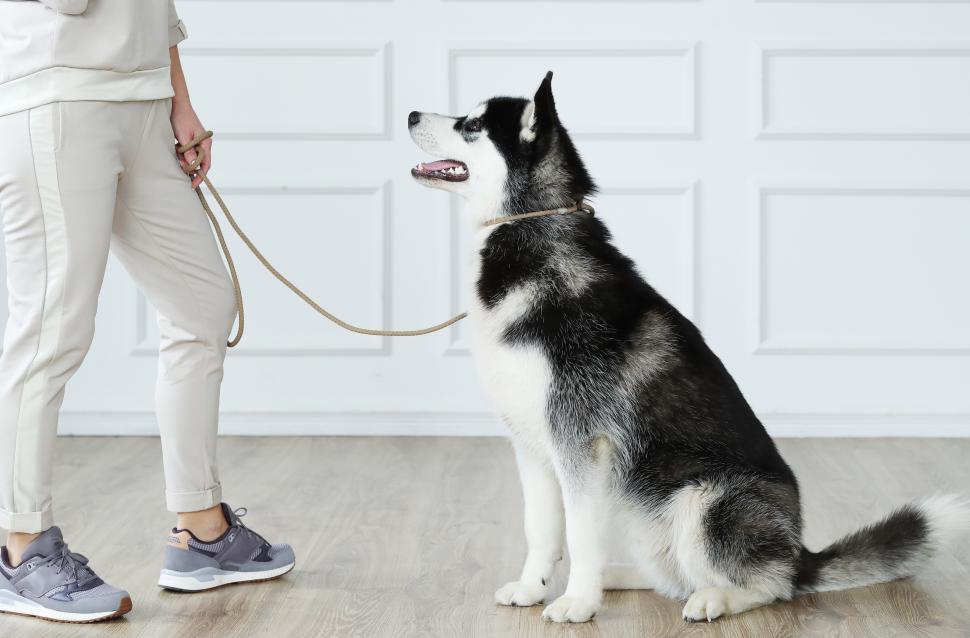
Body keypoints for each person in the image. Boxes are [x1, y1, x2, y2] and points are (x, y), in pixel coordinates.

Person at [0, 0, 294, 623]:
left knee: (203, 307)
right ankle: (19, 547)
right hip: (59, 98)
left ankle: (202, 528)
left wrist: (176, 98)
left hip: (143, 102)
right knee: (51, 330)